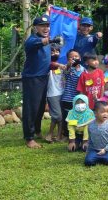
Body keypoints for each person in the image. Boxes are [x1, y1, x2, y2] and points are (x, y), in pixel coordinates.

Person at [21, 14, 53, 148]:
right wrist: (52, 40)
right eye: (42, 26)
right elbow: (43, 42)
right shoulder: (32, 40)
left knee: (40, 107)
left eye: (47, 26)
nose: (45, 28)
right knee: (31, 108)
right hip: (32, 78)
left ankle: (37, 130)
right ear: (35, 28)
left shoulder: (44, 40)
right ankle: (29, 138)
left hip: (43, 77)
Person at [84, 101, 108, 166]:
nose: (105, 114)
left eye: (107, 112)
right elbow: (90, 139)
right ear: (95, 113)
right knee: (88, 162)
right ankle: (98, 157)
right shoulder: (90, 125)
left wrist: (105, 149)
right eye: (102, 112)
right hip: (94, 149)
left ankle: (103, 157)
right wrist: (88, 151)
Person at [60, 49, 84, 139]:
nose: (74, 58)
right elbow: (65, 72)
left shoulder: (83, 70)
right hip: (67, 98)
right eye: (71, 57)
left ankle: (76, 134)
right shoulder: (68, 68)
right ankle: (67, 134)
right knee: (68, 118)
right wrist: (69, 65)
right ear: (67, 59)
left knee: (76, 116)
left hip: (78, 99)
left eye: (76, 56)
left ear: (80, 58)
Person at [45, 44, 65, 143]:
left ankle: (59, 135)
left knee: (60, 115)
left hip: (62, 92)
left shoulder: (61, 66)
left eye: (57, 51)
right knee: (58, 116)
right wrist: (58, 65)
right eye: (52, 52)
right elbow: (50, 65)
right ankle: (49, 133)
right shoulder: (46, 64)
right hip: (52, 93)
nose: (55, 53)